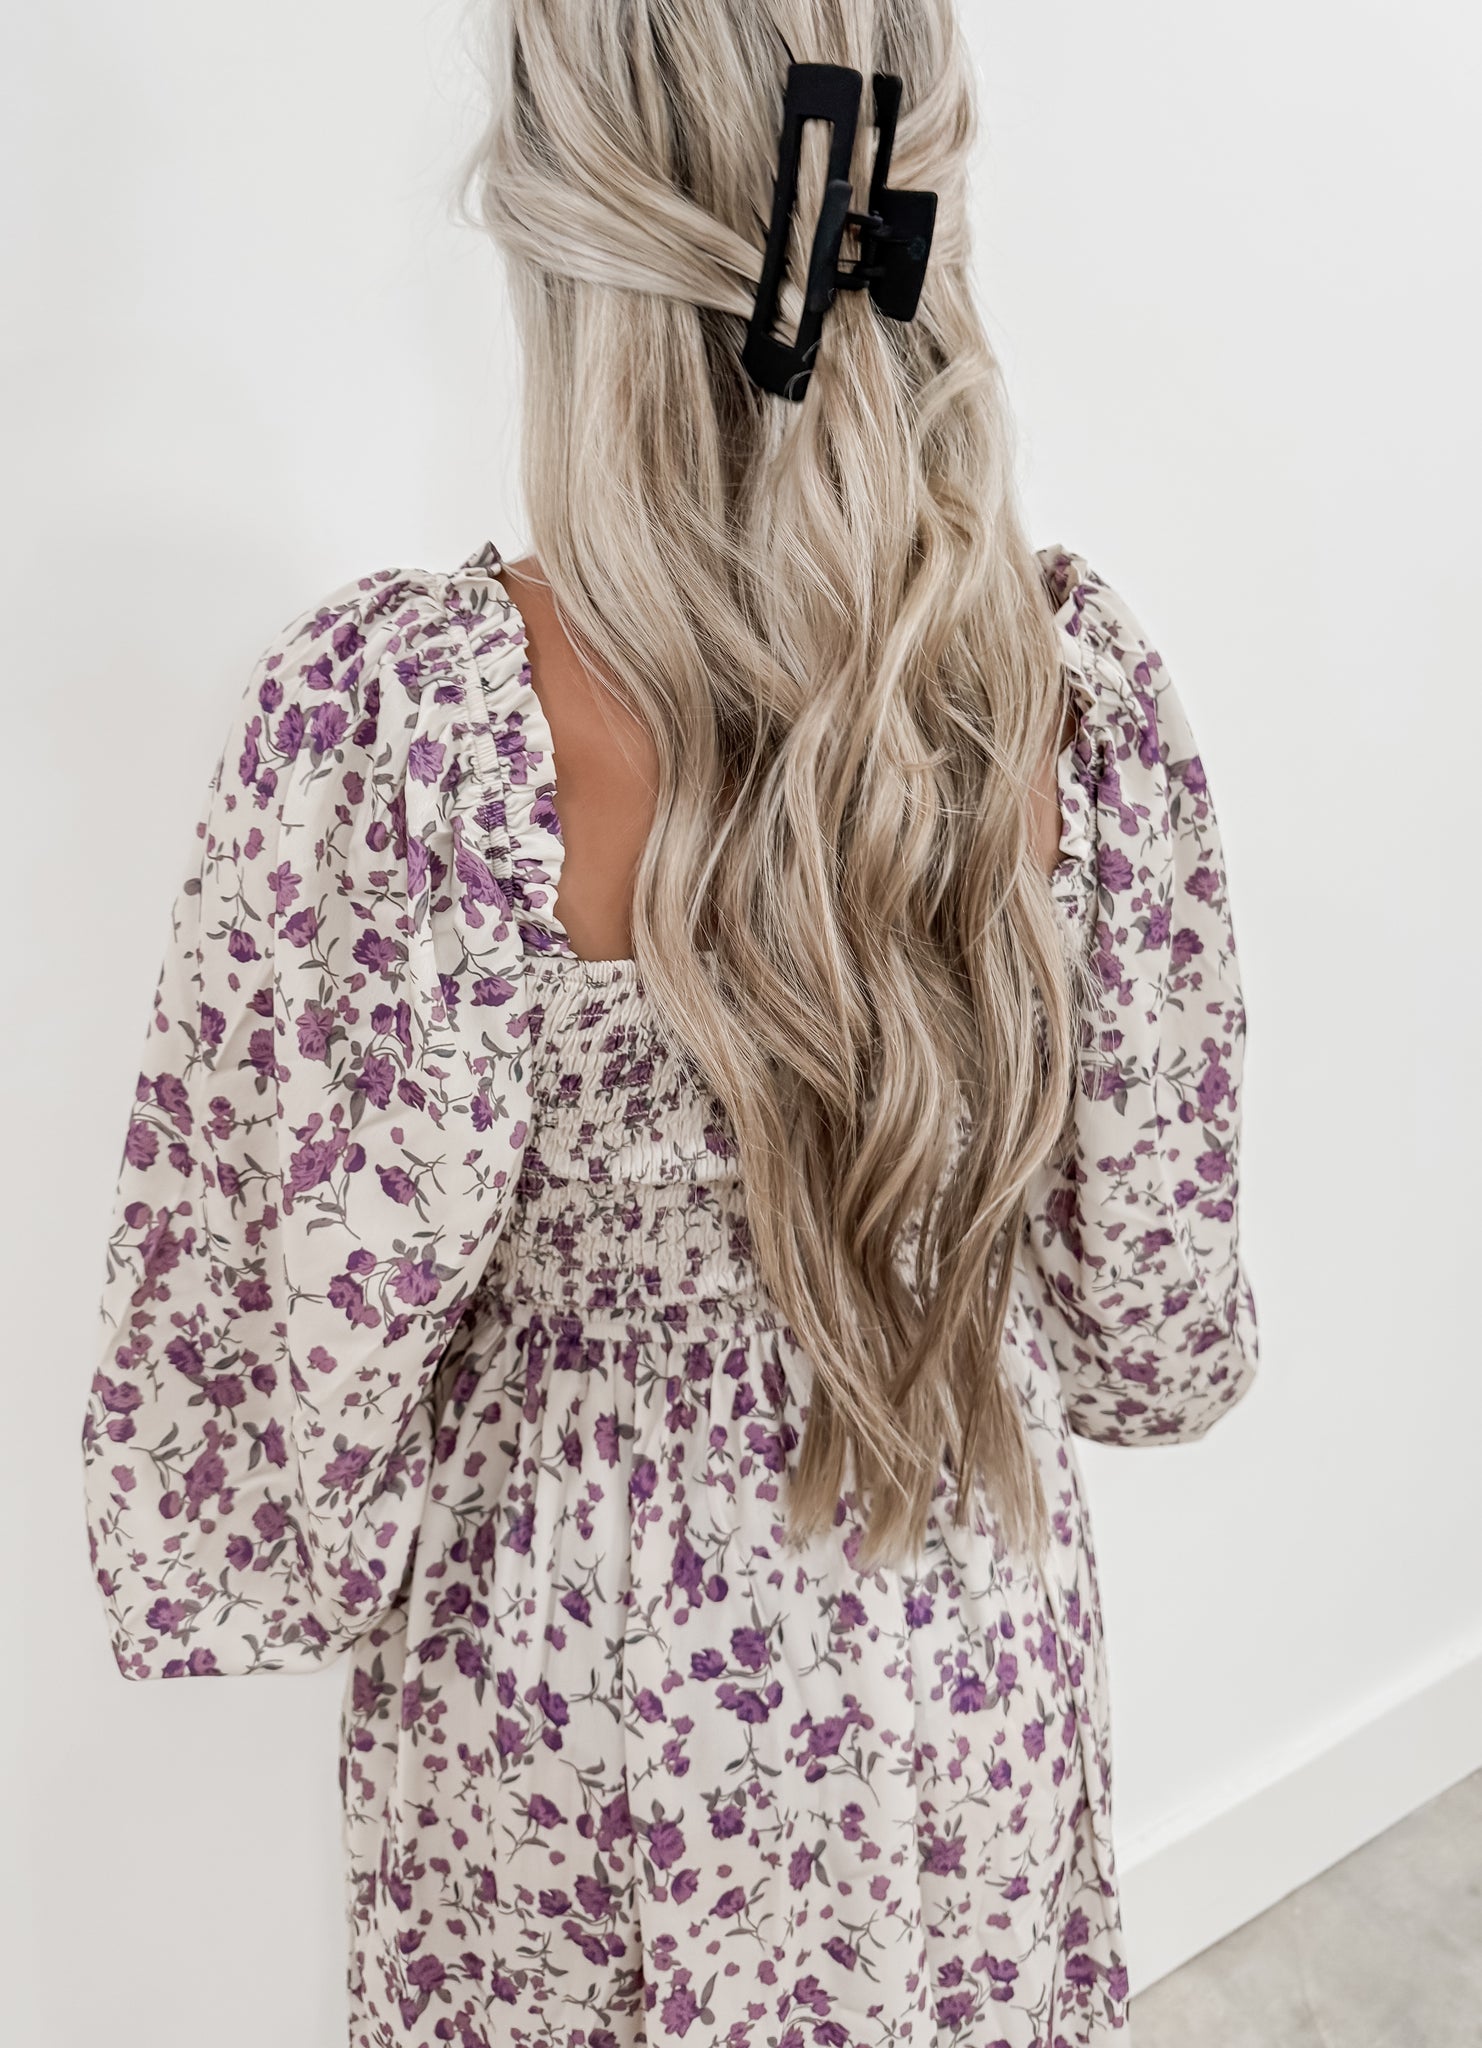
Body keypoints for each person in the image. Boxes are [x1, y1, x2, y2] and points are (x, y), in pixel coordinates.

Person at [80, 4, 1259, 2043]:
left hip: (562, 1681)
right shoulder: (1061, 693)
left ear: (562, 221)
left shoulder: (426, 728)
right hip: (951, 1636)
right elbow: (1151, 1316)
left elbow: (284, 1405)